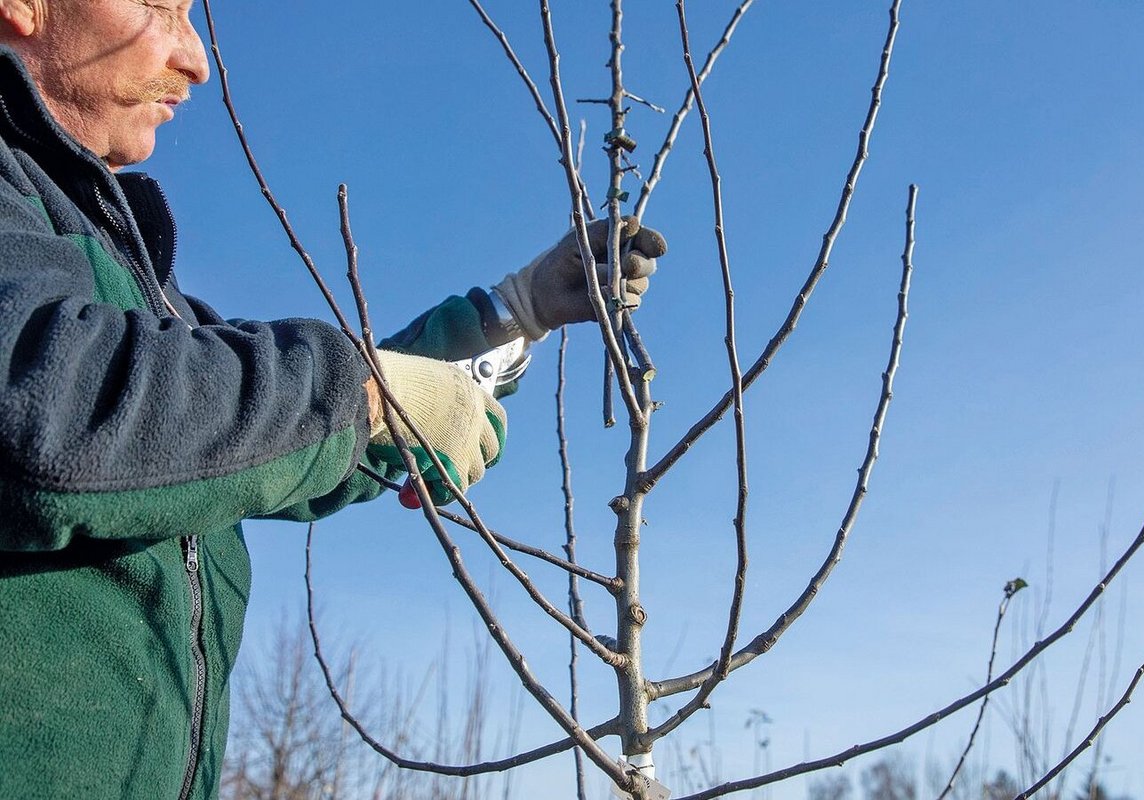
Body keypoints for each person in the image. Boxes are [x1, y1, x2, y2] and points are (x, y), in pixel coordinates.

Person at [0, 1, 666, 798]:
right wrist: (363, 396)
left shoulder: (115, 264)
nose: (197, 59)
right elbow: (51, 411)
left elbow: (244, 422)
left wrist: (514, 312)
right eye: (155, 6)